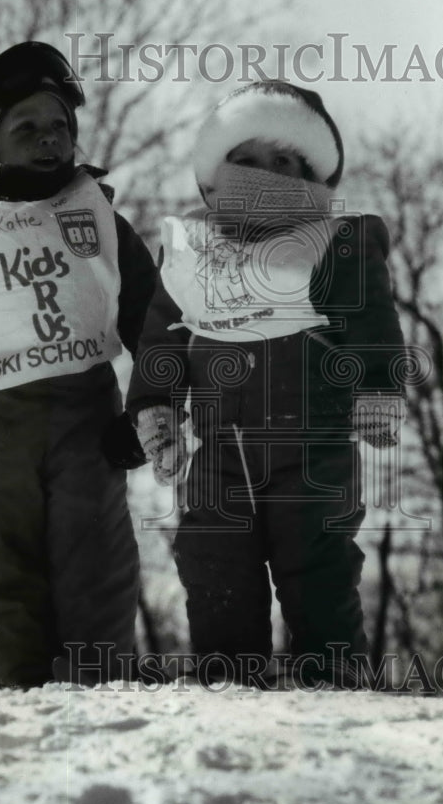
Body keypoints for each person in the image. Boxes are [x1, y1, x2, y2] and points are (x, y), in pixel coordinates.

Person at [126, 81, 407, 689]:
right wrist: (155, 408)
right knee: (212, 565)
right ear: (214, 173)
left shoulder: (337, 240)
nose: (264, 175)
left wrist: (379, 386)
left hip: (315, 447)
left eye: (284, 162)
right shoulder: (190, 249)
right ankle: (229, 687)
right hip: (219, 451)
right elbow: (160, 337)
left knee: (320, 566)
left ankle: (333, 684)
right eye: (246, 160)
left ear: (315, 175)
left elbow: (371, 316)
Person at [0, 41, 157, 688]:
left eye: (60, 126)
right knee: (3, 576)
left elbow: (154, 319)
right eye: (27, 127)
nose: (49, 140)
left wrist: (150, 407)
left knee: (94, 565)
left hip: (87, 431)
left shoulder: (99, 221)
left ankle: (106, 703)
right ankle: (17, 705)